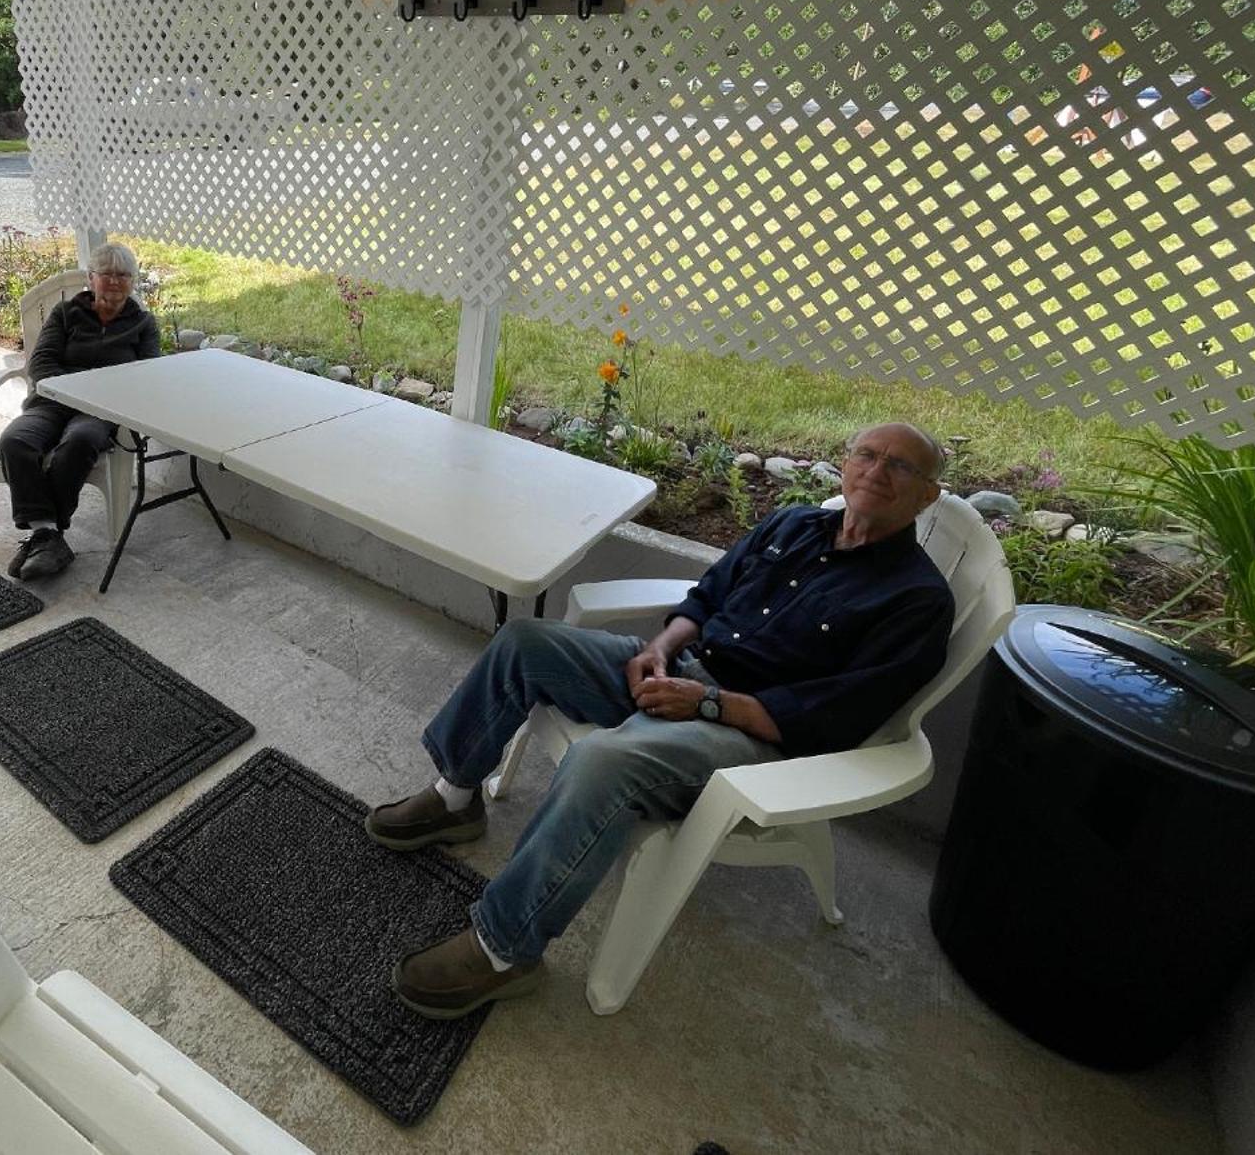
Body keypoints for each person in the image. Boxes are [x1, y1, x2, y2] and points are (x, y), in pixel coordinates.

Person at [367, 421, 955, 1019]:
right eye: (867, 455)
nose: (877, 473)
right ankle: (454, 796)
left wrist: (704, 703)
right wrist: (659, 649)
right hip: (681, 671)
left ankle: (502, 950)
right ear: (846, 461)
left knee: (603, 762)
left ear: (928, 494)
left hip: (746, 730)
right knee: (524, 642)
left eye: (900, 467)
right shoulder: (794, 523)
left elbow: (832, 719)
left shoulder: (916, 601)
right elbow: (707, 594)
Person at [0, 242, 160, 581]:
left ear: (132, 281)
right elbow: (41, 364)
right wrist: (87, 385)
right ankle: (48, 535)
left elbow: (147, 377)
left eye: (123, 275)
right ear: (91, 278)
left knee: (81, 442)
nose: (114, 281)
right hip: (51, 403)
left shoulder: (143, 324)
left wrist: (93, 393)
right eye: (107, 274)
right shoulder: (65, 314)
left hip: (100, 412)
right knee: (14, 441)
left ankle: (44, 538)